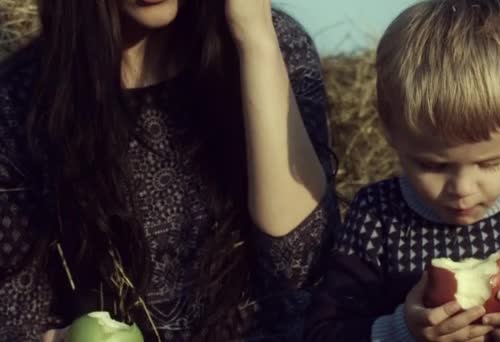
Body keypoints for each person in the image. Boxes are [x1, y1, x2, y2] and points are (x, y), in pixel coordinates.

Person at [0, 0, 338, 341]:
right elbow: (15, 315)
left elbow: (301, 269)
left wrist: (255, 40)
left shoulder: (272, 46)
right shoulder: (20, 100)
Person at [304, 0, 500, 341]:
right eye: (433, 165)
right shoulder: (377, 216)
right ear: (389, 130)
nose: (462, 188)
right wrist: (401, 330)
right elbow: (323, 330)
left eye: (490, 163)